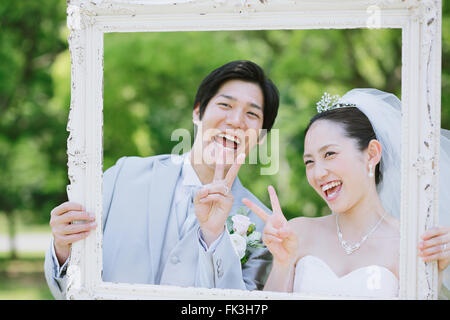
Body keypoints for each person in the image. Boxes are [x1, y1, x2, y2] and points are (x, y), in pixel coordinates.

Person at [44, 60, 280, 299]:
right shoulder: (122, 176)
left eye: (251, 113)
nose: (236, 121)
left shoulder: (261, 225)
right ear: (197, 112)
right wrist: (63, 249)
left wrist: (215, 238)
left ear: (261, 136)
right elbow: (69, 290)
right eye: (225, 104)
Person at [243, 89, 450, 298]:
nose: (318, 173)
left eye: (330, 154)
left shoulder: (409, 244)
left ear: (371, 154)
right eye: (309, 162)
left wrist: (435, 274)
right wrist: (282, 263)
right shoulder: (297, 233)